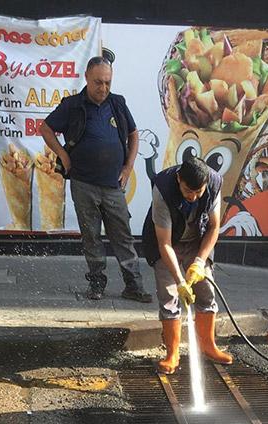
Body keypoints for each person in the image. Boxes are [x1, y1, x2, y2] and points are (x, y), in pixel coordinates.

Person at [41, 56, 151, 302]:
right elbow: (46, 128)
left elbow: (133, 134)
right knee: (91, 236)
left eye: (108, 83)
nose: (103, 88)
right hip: (83, 184)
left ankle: (133, 285)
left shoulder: (117, 104)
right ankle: (97, 284)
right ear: (87, 79)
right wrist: (63, 155)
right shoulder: (72, 105)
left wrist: (129, 166)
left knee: (122, 236)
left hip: (113, 185)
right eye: (98, 82)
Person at [141, 157, 233, 374]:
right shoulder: (162, 189)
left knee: (206, 292)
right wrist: (181, 281)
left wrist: (200, 263)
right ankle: (172, 354)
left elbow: (213, 227)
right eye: (188, 191)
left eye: (198, 192)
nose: (193, 197)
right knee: (169, 296)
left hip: (196, 240)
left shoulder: (213, 183)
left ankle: (208, 346)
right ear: (179, 179)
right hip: (168, 242)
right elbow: (164, 243)